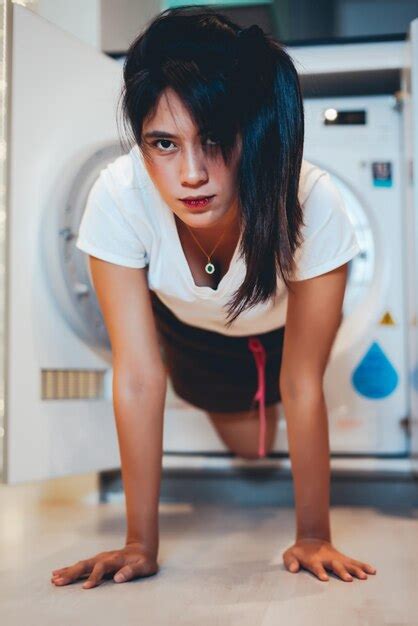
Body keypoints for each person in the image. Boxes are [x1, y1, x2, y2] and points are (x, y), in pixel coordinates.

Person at [51, 5, 376, 589]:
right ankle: (252, 410)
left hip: (282, 330)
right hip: (192, 334)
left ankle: (263, 405)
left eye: (215, 139)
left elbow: (303, 380)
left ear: (250, 130)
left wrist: (313, 534)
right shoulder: (120, 195)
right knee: (251, 454)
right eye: (164, 143)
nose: (192, 174)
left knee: (286, 399)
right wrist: (138, 543)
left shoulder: (312, 200)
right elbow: (138, 376)